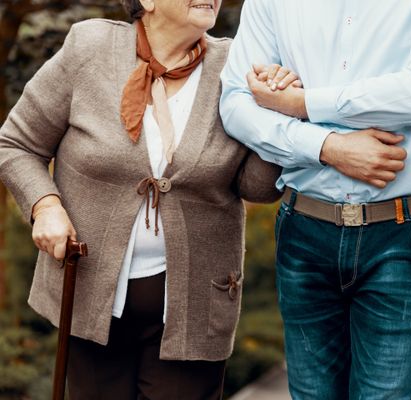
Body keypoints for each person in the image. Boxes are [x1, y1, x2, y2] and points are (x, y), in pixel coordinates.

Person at [0, 0, 298, 398]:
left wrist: (278, 115)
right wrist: (45, 206)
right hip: (89, 297)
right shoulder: (90, 49)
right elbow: (16, 144)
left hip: (194, 312)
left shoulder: (236, 67)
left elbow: (257, 187)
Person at [220, 1, 411, 399]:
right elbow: (237, 101)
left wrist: (303, 104)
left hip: (404, 233)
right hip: (304, 228)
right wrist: (326, 146)